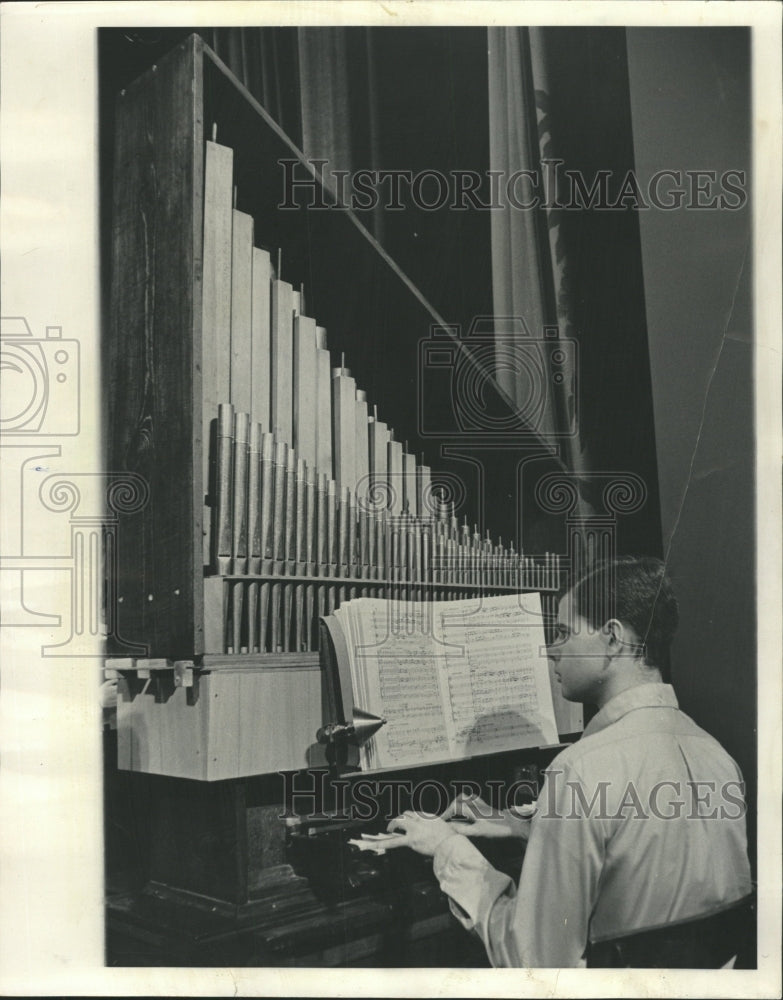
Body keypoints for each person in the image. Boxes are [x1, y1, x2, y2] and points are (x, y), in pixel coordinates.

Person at [387, 556, 754, 967]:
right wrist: (527, 828)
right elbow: (650, 869)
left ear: (613, 639)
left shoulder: (579, 769)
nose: (552, 651)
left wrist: (448, 848)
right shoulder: (717, 756)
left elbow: (534, 961)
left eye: (563, 632)